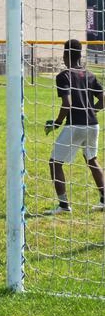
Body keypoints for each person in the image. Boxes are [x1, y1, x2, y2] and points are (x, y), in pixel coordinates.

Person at [45, 39, 105, 214]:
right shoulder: (90, 74)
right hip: (93, 125)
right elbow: (103, 100)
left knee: (55, 163)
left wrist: (57, 123)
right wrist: (90, 111)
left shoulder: (63, 76)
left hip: (75, 126)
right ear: (80, 55)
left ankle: (64, 205)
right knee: (92, 160)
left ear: (65, 55)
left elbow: (67, 104)